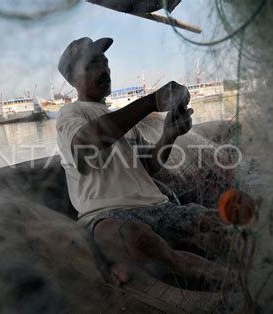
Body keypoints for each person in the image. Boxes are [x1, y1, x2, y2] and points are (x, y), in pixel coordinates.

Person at [56, 37, 230, 286]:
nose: (104, 69)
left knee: (212, 221)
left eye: (105, 62)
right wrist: (150, 102)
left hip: (158, 207)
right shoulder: (70, 114)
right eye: (93, 64)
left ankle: (242, 279)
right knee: (137, 237)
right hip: (105, 215)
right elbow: (85, 142)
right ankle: (228, 281)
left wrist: (170, 134)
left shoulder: (118, 118)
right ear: (73, 78)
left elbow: (149, 165)